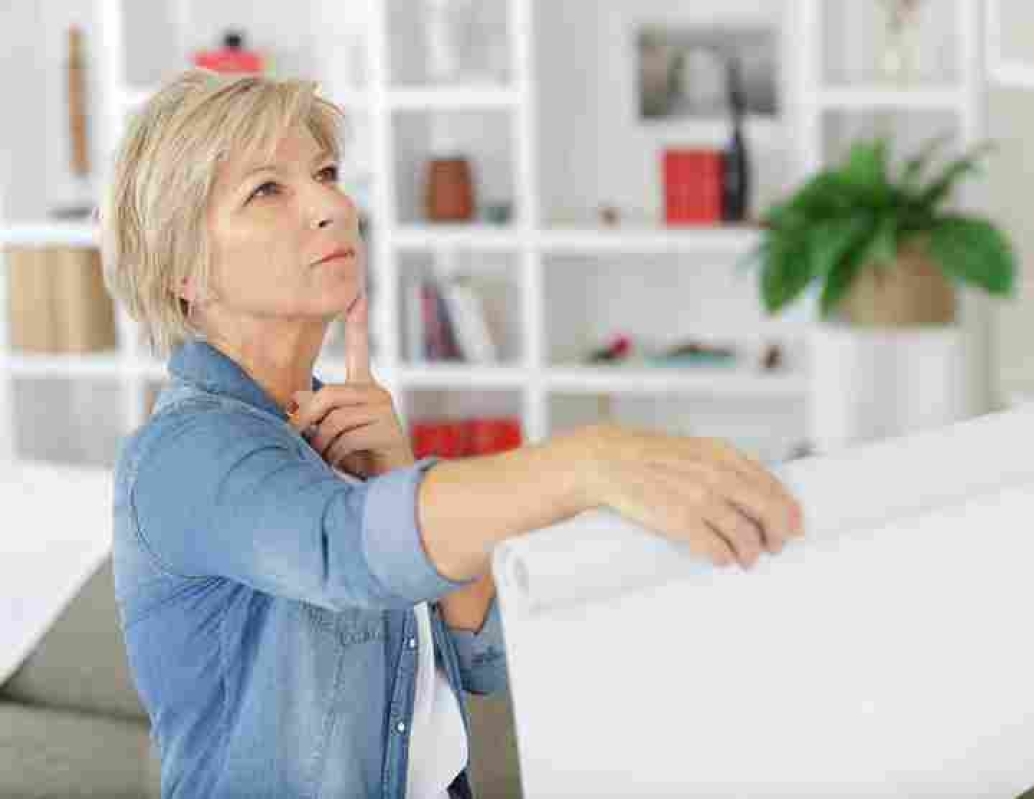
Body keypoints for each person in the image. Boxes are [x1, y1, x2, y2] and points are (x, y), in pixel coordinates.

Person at [101, 69, 803, 798]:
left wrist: (398, 470)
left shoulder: (338, 436)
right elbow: (341, 548)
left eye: (326, 173)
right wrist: (591, 460)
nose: (333, 205)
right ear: (185, 268)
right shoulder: (183, 454)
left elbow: (483, 658)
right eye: (268, 190)